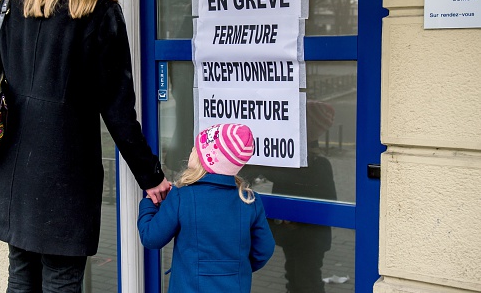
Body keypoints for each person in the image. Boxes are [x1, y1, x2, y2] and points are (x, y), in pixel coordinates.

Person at [0, 0, 171, 292]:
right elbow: (118, 110)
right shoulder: (99, 11)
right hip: (65, 173)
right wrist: (151, 176)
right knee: (62, 279)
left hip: (15, 168)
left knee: (21, 275)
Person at [138, 123, 275, 292]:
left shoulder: (182, 196)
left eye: (196, 148)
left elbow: (151, 237)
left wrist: (148, 203)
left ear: (206, 159)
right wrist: (237, 268)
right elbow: (265, 249)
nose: (192, 151)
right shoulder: (249, 200)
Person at [242, 100, 337, 293]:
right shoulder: (296, 160)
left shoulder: (317, 164)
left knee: (306, 281)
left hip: (309, 237)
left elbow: (327, 203)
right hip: (295, 235)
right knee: (294, 276)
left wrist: (260, 163)